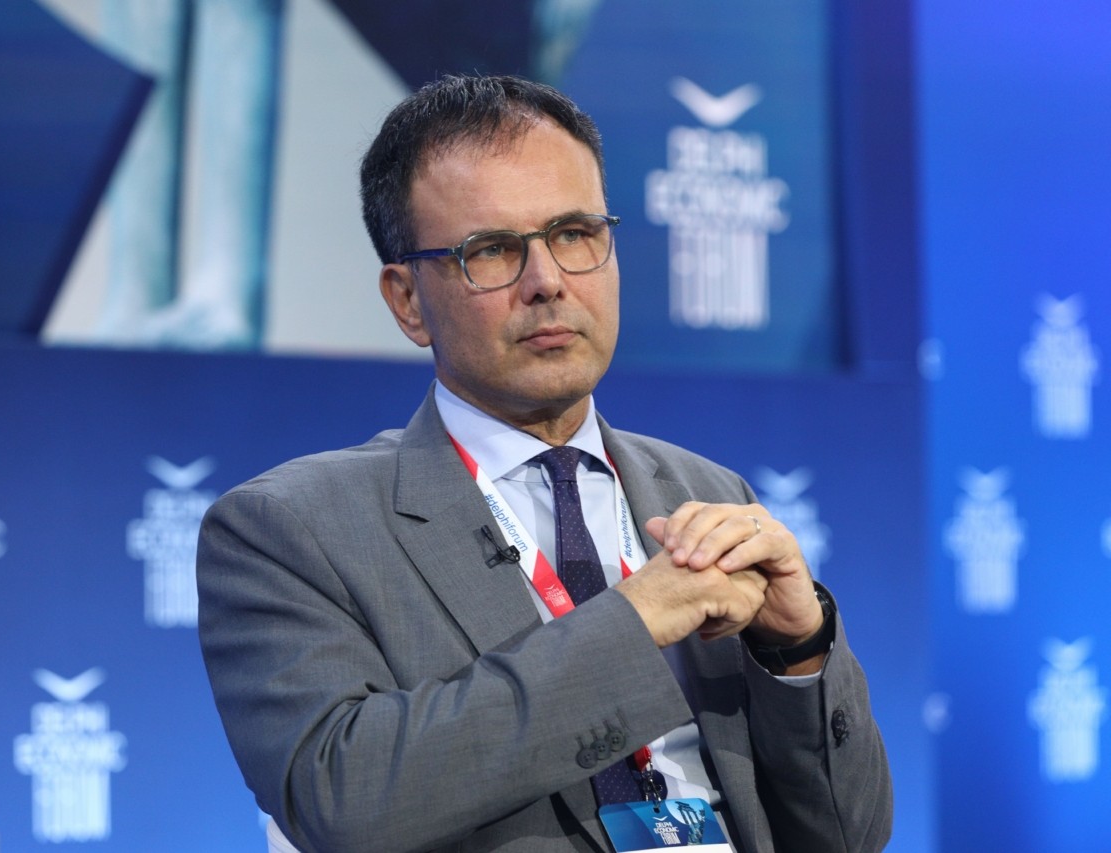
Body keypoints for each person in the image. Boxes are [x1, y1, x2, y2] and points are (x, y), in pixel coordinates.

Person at [197, 74, 893, 852]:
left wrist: (798, 650)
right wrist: (633, 622)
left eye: (574, 233)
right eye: (492, 250)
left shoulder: (705, 492)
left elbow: (849, 836)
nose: (548, 281)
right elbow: (343, 799)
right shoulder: (292, 528)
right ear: (407, 300)